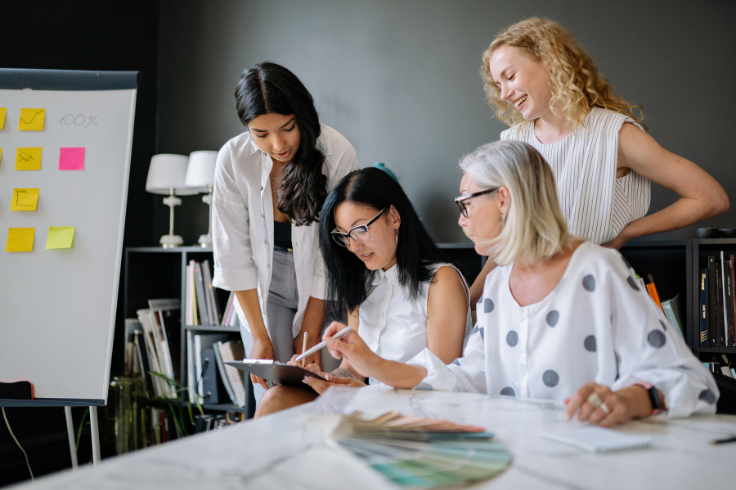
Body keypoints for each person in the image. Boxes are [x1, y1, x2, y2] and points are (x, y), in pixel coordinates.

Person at [320, 141, 719, 426]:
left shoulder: (598, 269)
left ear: (504, 200)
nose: (461, 218)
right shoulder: (496, 288)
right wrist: (371, 364)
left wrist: (630, 398)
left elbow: (690, 381)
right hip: (517, 459)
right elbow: (465, 377)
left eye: (466, 203)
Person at [468, 17, 729, 305]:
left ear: (550, 61)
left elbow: (710, 197)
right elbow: (507, 244)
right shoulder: (511, 143)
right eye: (497, 84)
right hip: (516, 300)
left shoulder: (616, 136)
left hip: (585, 298)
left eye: (510, 76)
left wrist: (626, 233)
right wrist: (470, 300)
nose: (503, 94)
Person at [254, 168, 472, 417]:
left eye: (361, 230)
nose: (354, 246)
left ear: (394, 217)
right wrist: (320, 378)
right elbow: (351, 369)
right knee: (276, 398)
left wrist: (367, 393)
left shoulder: (441, 280)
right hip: (371, 402)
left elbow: (441, 380)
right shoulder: (363, 282)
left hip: (420, 409)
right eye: (344, 236)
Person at [211, 62, 359, 401]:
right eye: (261, 134)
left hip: (326, 285)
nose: (278, 144)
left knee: (320, 388)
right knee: (274, 389)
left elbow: (331, 250)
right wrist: (259, 335)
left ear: (301, 115)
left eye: (287, 128)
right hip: (266, 285)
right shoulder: (232, 159)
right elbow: (232, 254)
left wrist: (310, 327)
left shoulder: (337, 152)